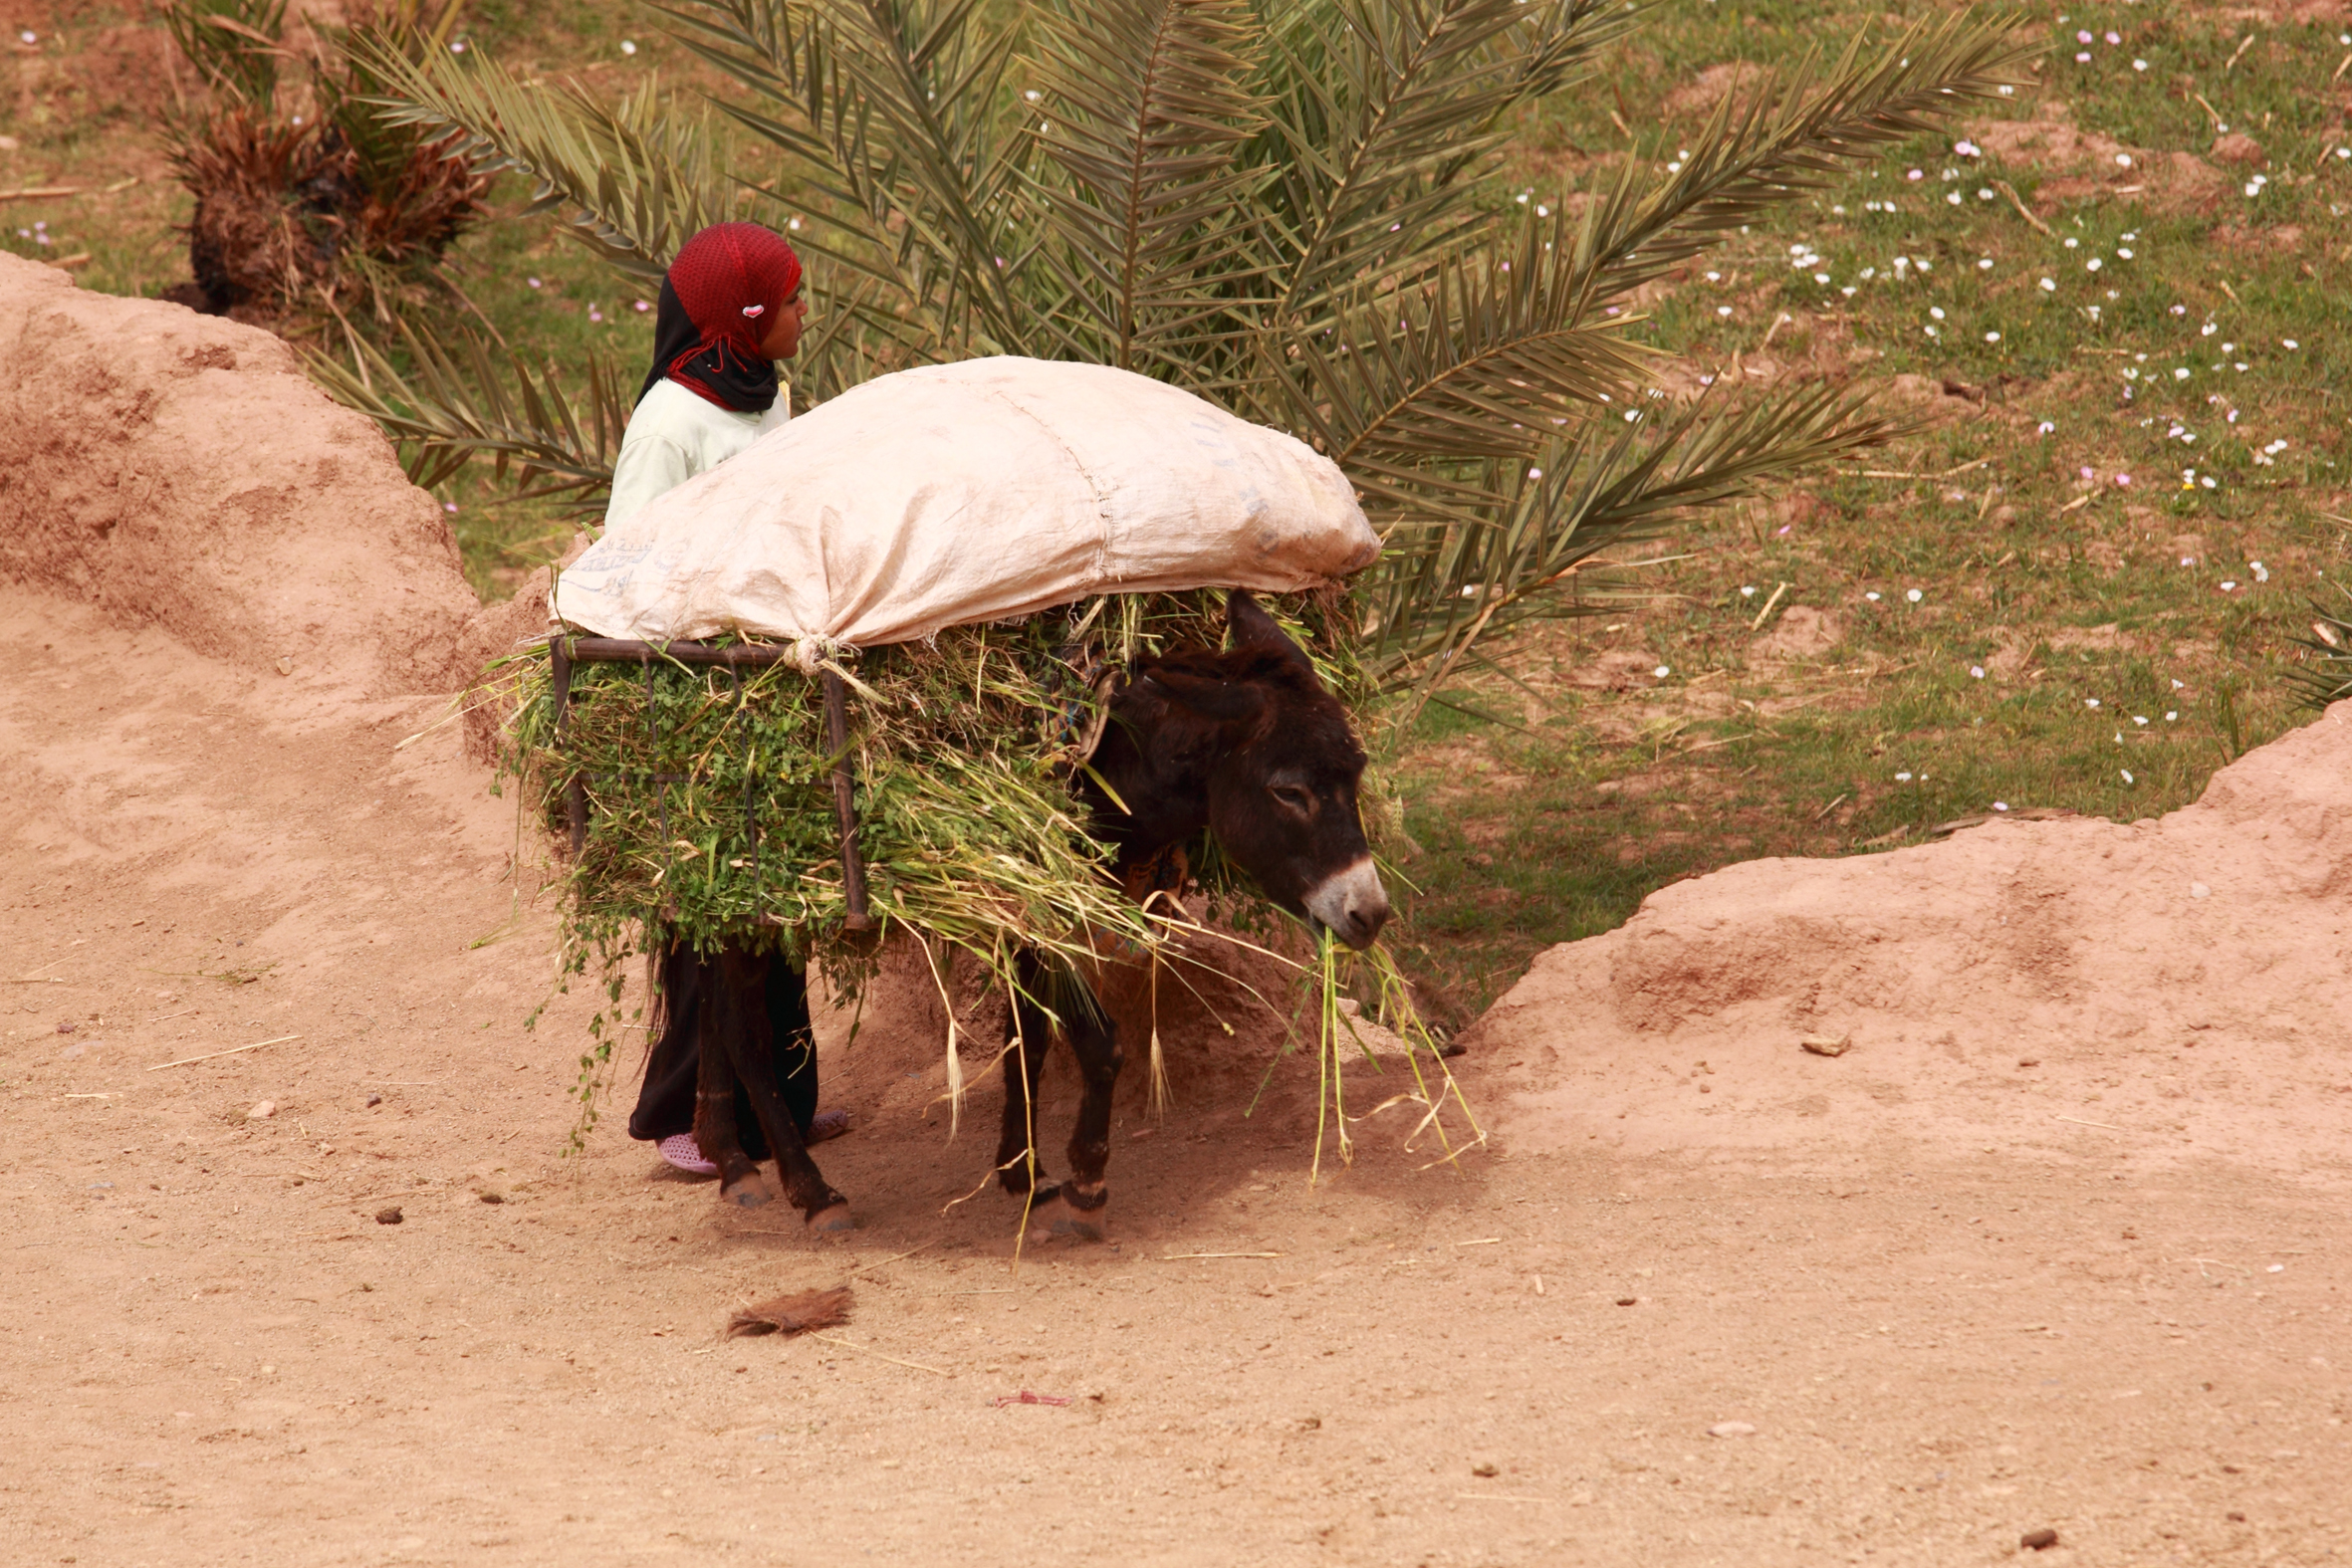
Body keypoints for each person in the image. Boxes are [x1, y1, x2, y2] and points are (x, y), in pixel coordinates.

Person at [608, 221, 848, 1176]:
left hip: (770, 682)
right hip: (697, 691)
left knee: (778, 905)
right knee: (708, 916)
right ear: (747, 316)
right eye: (791, 299)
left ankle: (781, 1104)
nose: (803, 313)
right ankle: (686, 1114)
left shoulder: (769, 396)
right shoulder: (671, 423)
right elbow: (630, 555)